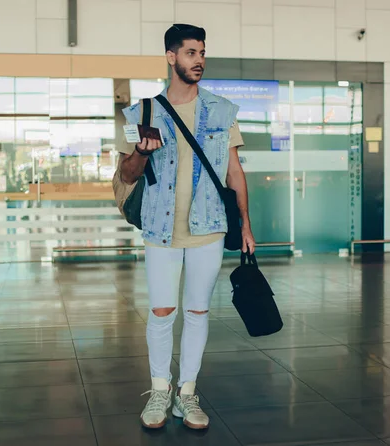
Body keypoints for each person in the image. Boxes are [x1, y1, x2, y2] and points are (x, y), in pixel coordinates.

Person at [118, 24, 255, 430]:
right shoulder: (141, 112)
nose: (199, 60)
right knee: (162, 311)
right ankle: (160, 390)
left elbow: (234, 171)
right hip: (160, 230)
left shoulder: (223, 110)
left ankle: (187, 394)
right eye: (191, 53)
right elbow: (127, 174)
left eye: (202, 53)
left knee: (198, 311)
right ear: (170, 56)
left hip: (209, 226)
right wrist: (142, 153)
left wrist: (245, 223)